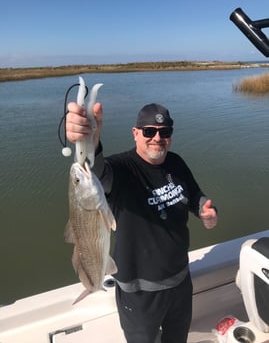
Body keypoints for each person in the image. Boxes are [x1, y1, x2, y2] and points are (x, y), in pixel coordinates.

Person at [66, 101, 218, 343]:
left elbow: (195, 194)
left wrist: (204, 209)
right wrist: (87, 140)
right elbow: (97, 172)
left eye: (164, 132)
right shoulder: (122, 168)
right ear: (135, 133)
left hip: (180, 282)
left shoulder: (176, 162)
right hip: (138, 294)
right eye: (149, 131)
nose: (157, 138)